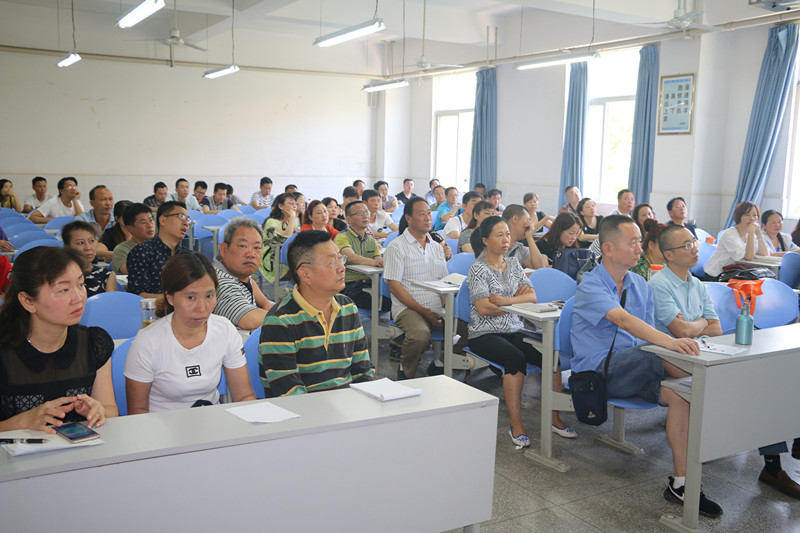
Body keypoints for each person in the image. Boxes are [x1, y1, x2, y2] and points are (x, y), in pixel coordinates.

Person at [572, 215, 722, 519]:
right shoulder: (590, 285)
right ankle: (717, 385)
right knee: (660, 354)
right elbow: (625, 321)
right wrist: (672, 344)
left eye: (640, 241)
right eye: (633, 243)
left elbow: (646, 332)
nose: (640, 249)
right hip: (598, 374)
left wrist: (670, 345)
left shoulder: (640, 284)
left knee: (680, 397)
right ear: (608, 249)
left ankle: (681, 484)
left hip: (638, 366)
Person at [652, 225, 800, 500]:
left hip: (705, 351)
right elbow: (680, 331)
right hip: (672, 356)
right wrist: (700, 324)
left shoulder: (696, 284)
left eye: (694, 242)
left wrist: (695, 325)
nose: (695, 248)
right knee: (749, 384)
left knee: (765, 379)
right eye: (687, 245)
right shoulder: (659, 284)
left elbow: (717, 328)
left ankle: (774, 463)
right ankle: (767, 462)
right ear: (669, 254)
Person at [468, 217, 575, 448]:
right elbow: (483, 308)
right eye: (499, 235)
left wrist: (505, 301)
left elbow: (532, 297)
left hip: (514, 328)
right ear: (485, 240)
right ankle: (515, 423)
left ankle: (554, 418)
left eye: (507, 234)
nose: (505, 239)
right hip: (483, 333)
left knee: (551, 357)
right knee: (514, 358)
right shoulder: (478, 269)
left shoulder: (514, 264)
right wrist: (516, 301)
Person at [0, 246, 117, 433]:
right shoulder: (4, 351)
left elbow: (110, 410)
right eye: (63, 290)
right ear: (28, 301)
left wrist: (98, 411)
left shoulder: (94, 342)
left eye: (81, 284)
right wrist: (21, 422)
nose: (78, 297)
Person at [125, 253, 256, 413]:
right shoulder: (147, 342)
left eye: (209, 296)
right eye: (191, 298)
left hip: (213, 424)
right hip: (161, 427)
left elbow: (243, 396)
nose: (202, 307)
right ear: (170, 297)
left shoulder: (225, 330)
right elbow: (138, 412)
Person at [259, 230, 374, 396]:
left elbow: (363, 371)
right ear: (305, 274)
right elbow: (290, 393)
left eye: (341, 259)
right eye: (332, 263)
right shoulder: (280, 321)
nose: (342, 268)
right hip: (302, 410)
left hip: (348, 404)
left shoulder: (348, 307)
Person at [384, 197, 450, 379]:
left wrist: (446, 308)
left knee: (470, 328)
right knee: (420, 335)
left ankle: (439, 364)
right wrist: (424, 311)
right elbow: (394, 286)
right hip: (408, 308)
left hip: (436, 306)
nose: (428, 217)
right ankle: (405, 372)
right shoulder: (396, 247)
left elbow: (444, 281)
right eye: (422, 214)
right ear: (409, 218)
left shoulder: (436, 247)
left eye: (429, 213)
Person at [211, 217, 273, 331]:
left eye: (257, 247)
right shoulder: (219, 281)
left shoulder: (239, 275)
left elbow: (265, 303)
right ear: (224, 249)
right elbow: (250, 320)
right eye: (243, 246)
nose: (251, 254)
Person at [334, 200, 390, 311]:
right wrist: (374, 262)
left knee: (394, 299)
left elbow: (377, 257)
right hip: (349, 286)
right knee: (389, 303)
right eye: (360, 213)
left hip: (370, 284)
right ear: (348, 219)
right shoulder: (342, 237)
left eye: (367, 212)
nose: (365, 216)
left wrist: (380, 261)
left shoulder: (371, 240)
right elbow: (350, 257)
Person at [126, 201, 189, 298]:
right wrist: (175, 299)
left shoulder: (188, 256)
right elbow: (137, 295)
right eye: (181, 217)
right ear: (163, 220)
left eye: (188, 219)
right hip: (154, 307)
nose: (186, 223)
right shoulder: (142, 252)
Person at [704, 201, 768, 279]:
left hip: (735, 273)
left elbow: (764, 254)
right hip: (717, 275)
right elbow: (749, 257)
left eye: (755, 215)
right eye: (747, 215)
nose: (752, 218)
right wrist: (751, 233)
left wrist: (759, 235)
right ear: (739, 216)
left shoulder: (751, 235)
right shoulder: (729, 234)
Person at [62, 221, 117, 297]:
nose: (88, 248)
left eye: (91, 241)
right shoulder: (59, 275)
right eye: (80, 243)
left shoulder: (106, 275)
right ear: (67, 247)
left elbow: (110, 303)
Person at [259, 192, 297, 283]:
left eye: (295, 203)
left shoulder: (291, 223)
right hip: (272, 258)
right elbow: (286, 238)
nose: (294, 206)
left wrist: (292, 220)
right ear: (280, 206)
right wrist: (292, 218)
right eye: (291, 203)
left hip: (287, 256)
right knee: (301, 271)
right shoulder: (271, 222)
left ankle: (293, 288)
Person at [112, 203, 155, 275]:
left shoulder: (161, 245)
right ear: (130, 228)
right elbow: (130, 271)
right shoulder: (122, 249)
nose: (150, 225)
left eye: (151, 220)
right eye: (143, 222)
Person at [501, 205, 548, 270]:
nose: (530, 224)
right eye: (528, 220)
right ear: (515, 219)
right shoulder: (494, 242)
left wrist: (529, 237)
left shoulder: (520, 248)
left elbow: (540, 269)